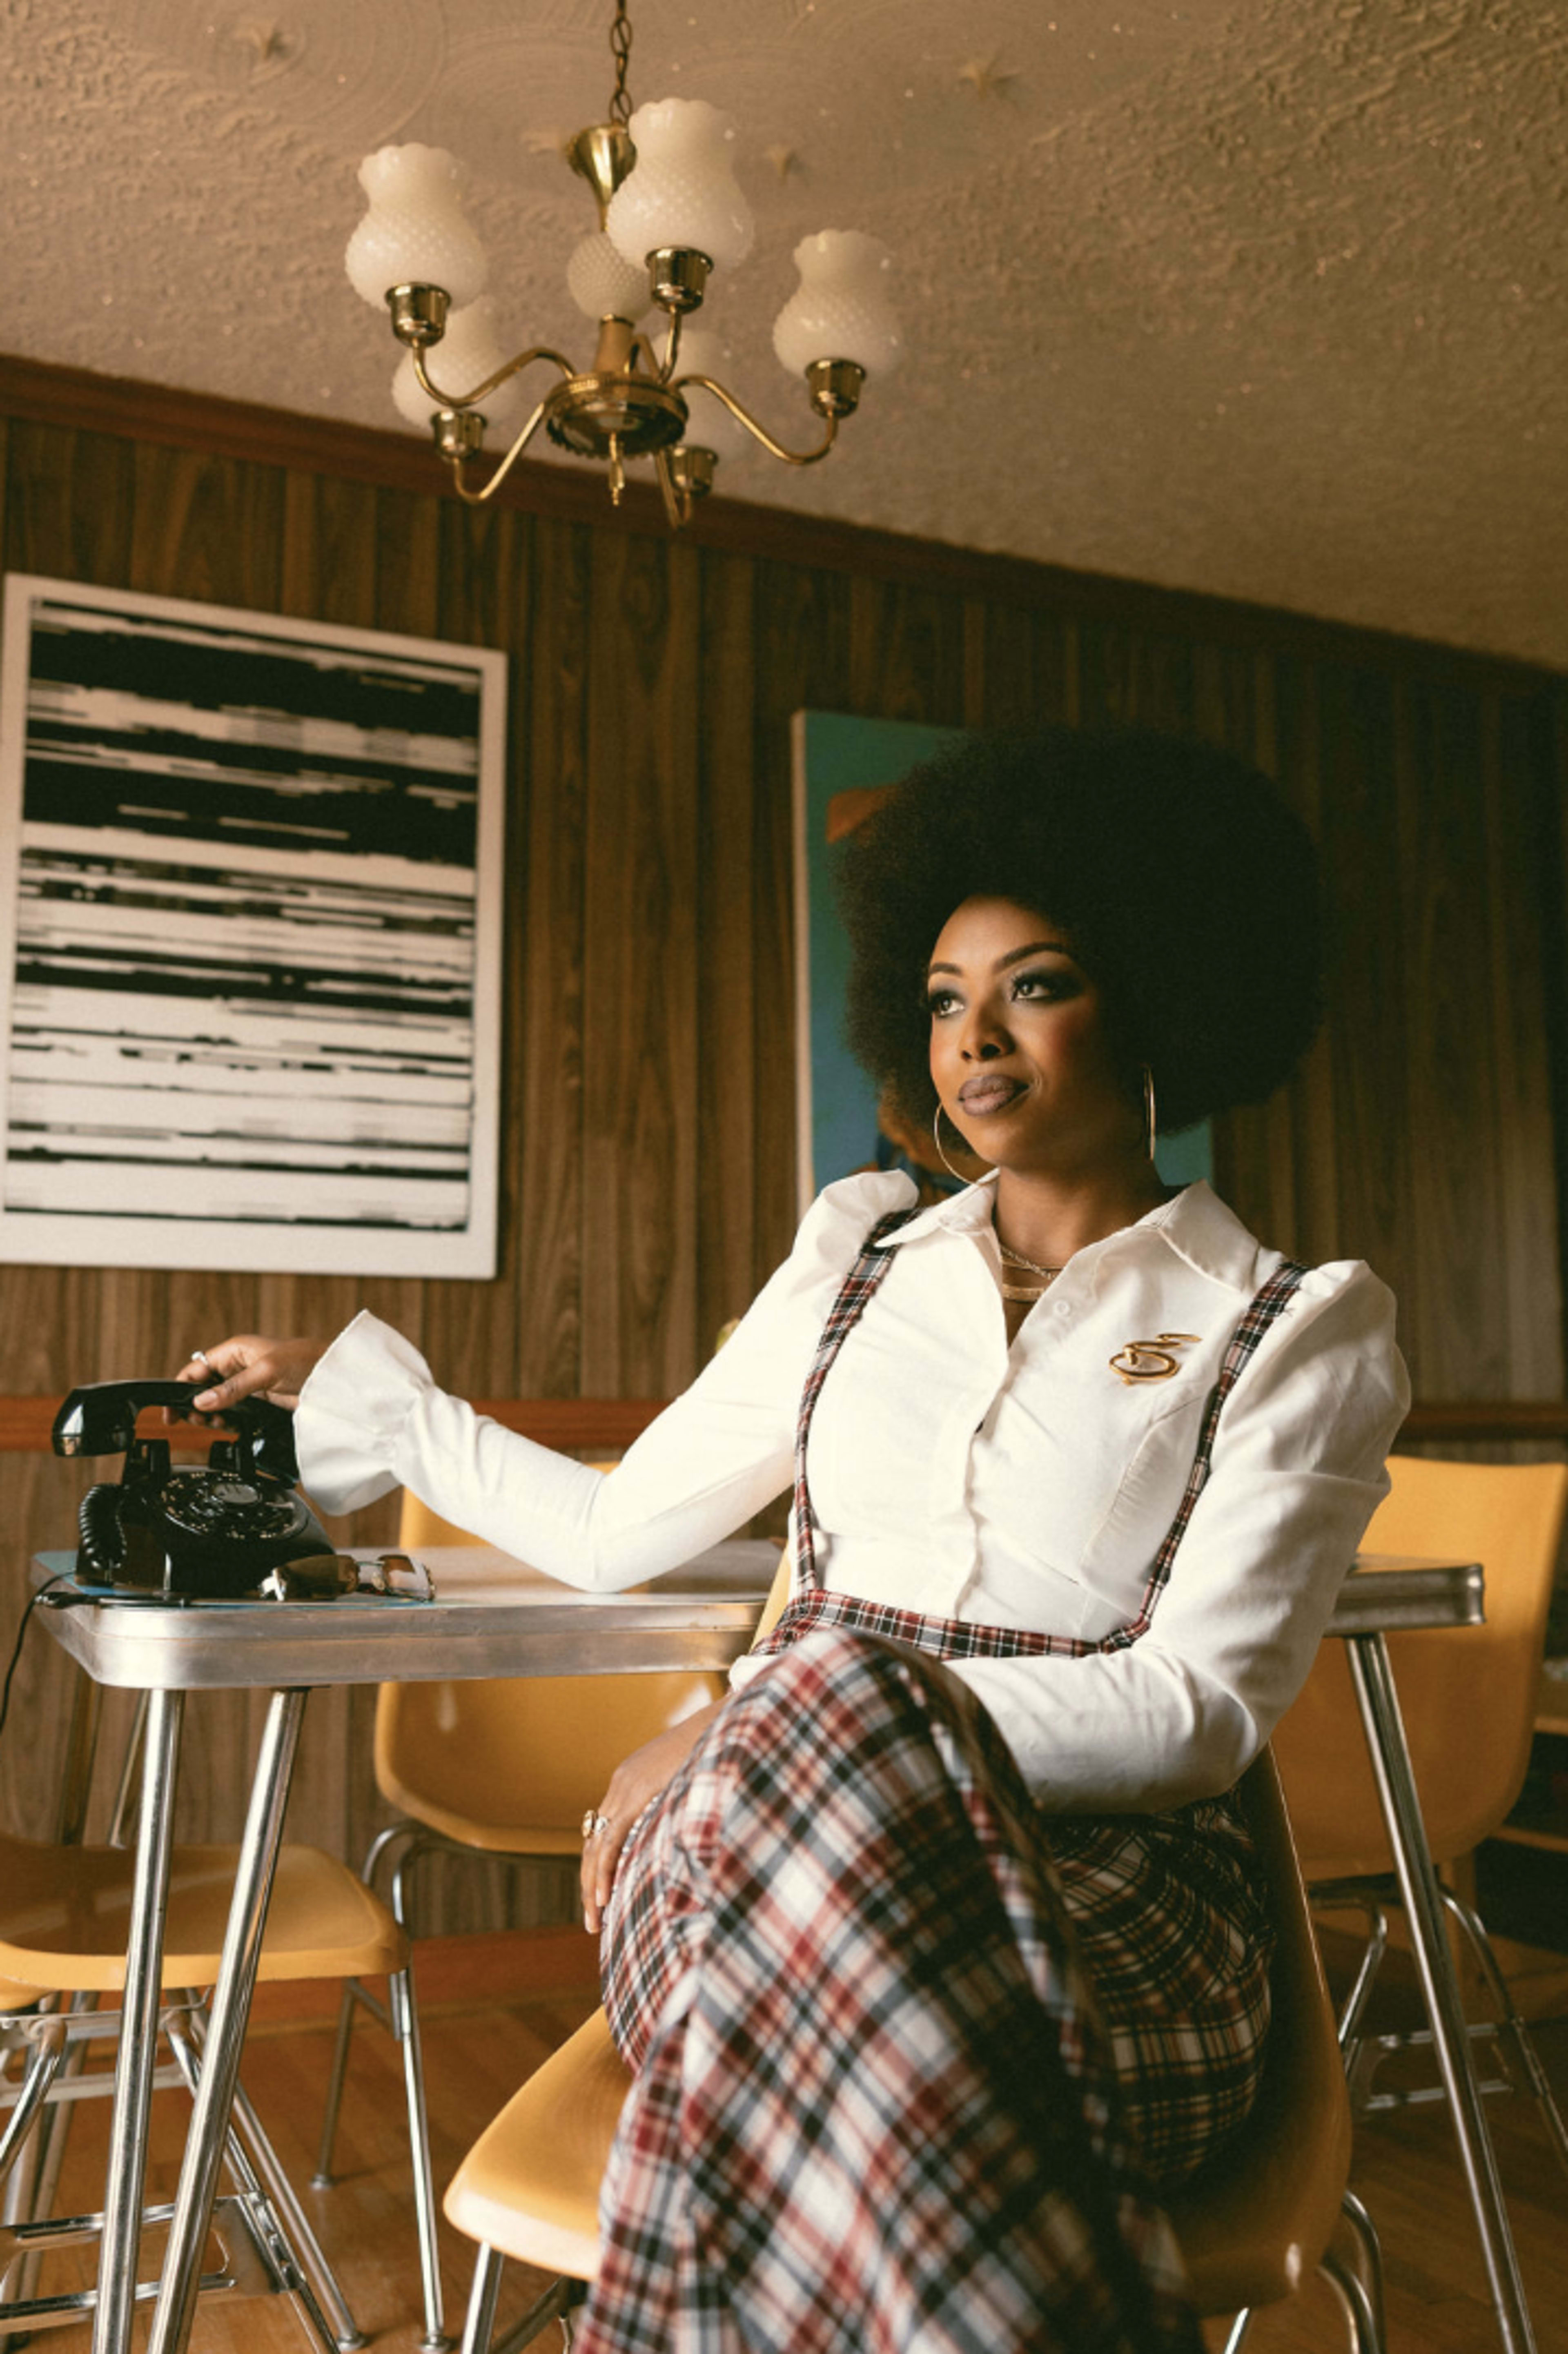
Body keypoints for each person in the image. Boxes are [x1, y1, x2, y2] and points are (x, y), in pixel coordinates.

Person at [181, 727, 1409, 2354]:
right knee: (865, 2005)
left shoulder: (1296, 1323)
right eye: (944, 993)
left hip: (1110, 1888)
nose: (974, 1038)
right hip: (742, 1856)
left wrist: (786, 1717)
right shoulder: (857, 1253)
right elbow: (623, 1527)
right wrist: (372, 1405)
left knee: (803, 2027)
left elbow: (1199, 1709)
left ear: (1161, 988)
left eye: (1035, 983)